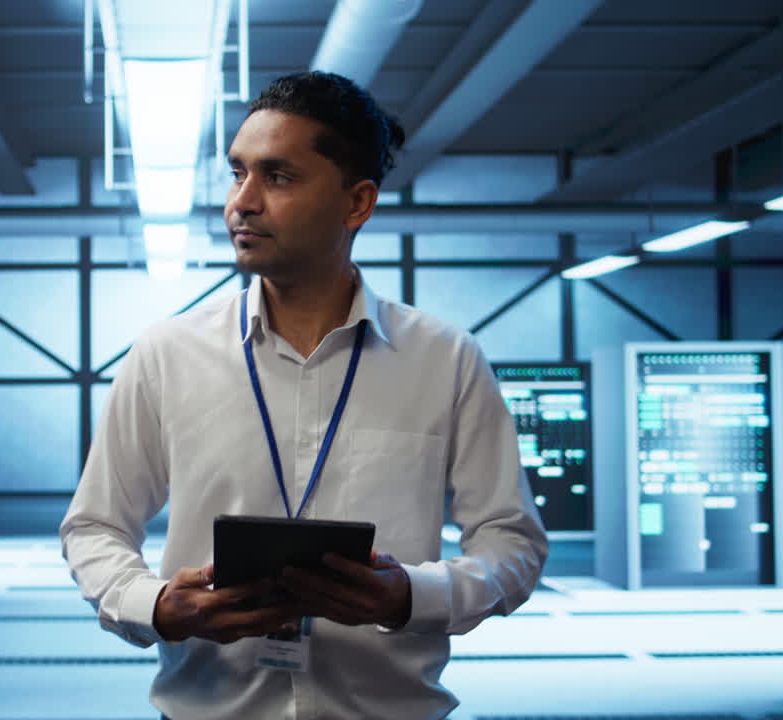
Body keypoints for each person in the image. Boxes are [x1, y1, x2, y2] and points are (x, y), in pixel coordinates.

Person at [60, 71, 548, 719]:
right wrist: (153, 605)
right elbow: (94, 526)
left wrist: (415, 596)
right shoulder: (166, 353)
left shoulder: (444, 358)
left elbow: (512, 541)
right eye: (237, 174)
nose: (242, 202)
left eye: (278, 176)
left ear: (357, 202)